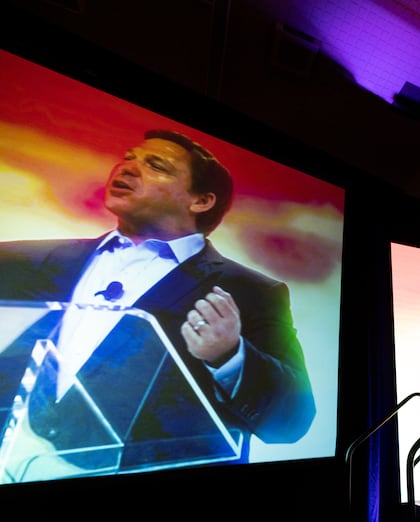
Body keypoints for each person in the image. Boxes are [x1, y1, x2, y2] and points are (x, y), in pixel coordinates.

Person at [0, 130, 315, 477]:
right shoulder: (20, 261)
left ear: (201, 201)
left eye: (156, 166)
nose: (127, 168)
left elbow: (293, 422)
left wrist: (231, 357)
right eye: (129, 157)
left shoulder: (250, 291)